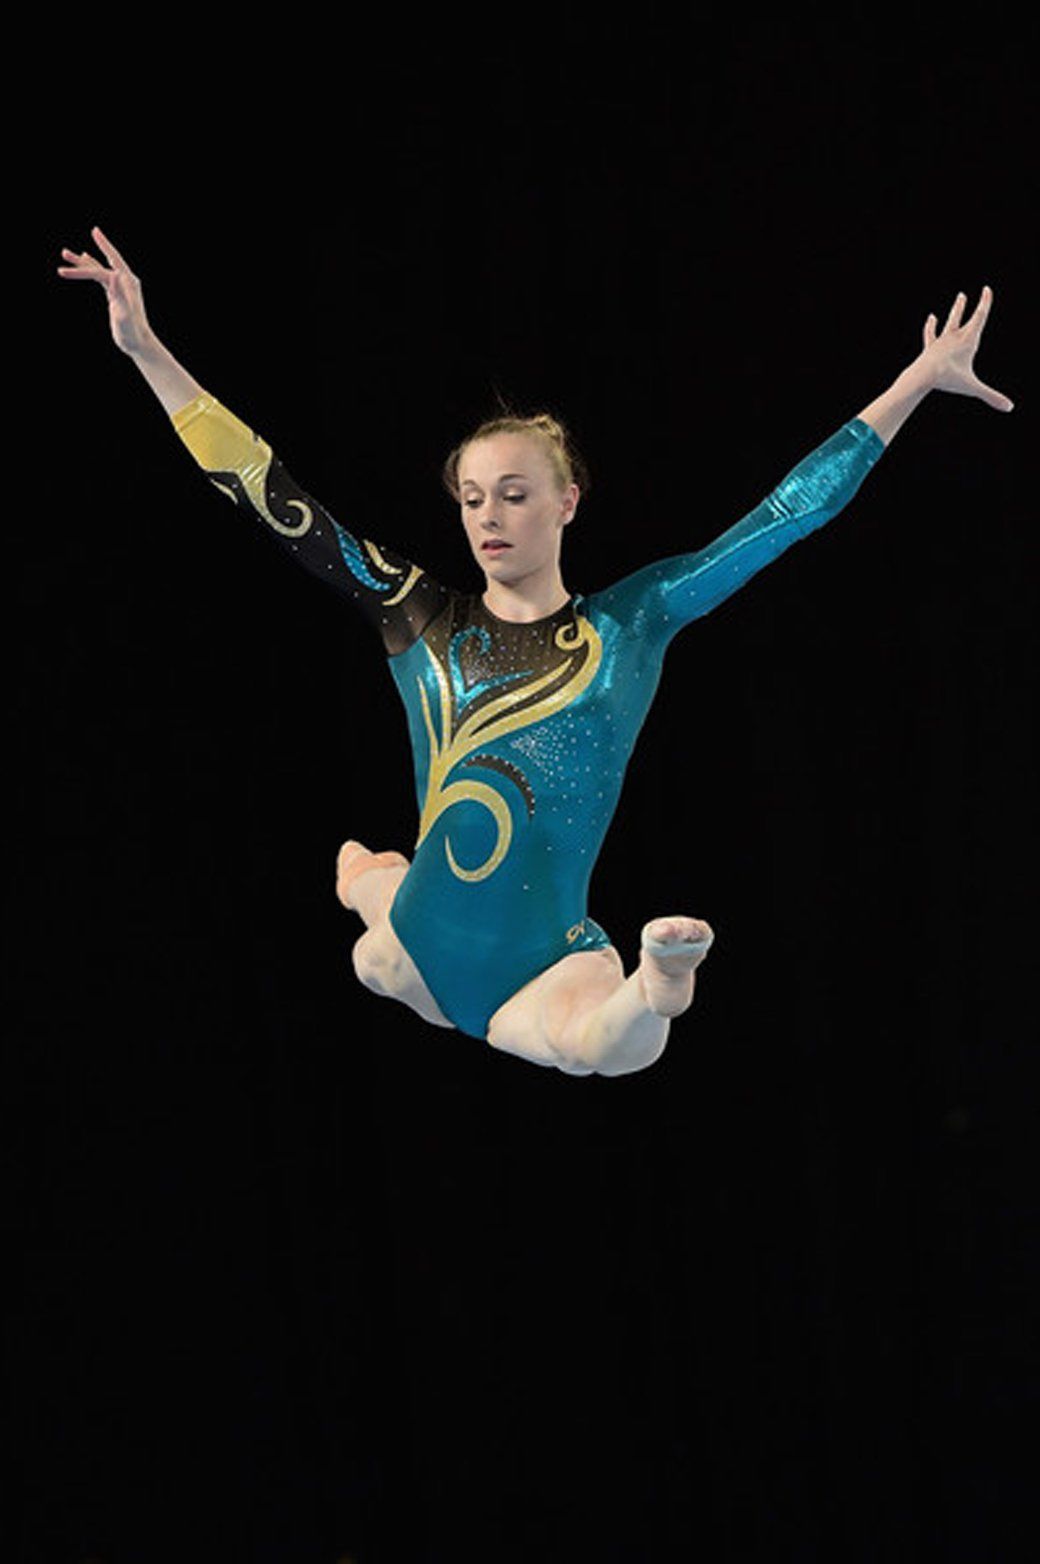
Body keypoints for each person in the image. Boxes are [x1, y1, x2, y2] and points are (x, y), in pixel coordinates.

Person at [58, 227, 1012, 1077]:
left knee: (593, 1046)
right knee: (376, 950)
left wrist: (914, 383)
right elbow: (270, 493)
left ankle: (659, 981)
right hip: (422, 950)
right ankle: (366, 881)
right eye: (473, 499)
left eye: (514, 495)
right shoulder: (420, 618)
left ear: (567, 501)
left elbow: (782, 518)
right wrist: (147, 351)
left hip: (542, 966)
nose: (489, 518)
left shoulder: (628, 625)